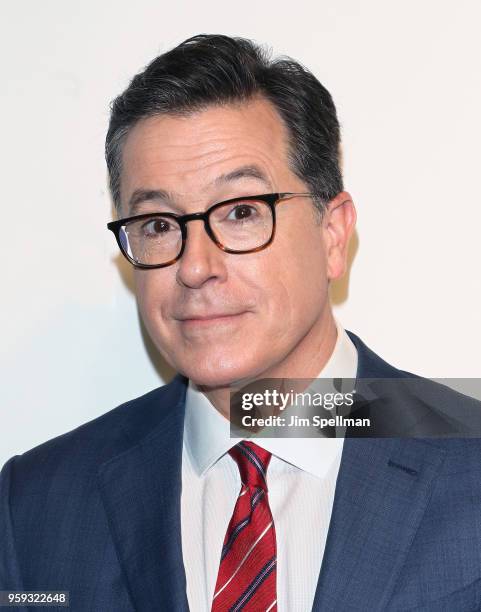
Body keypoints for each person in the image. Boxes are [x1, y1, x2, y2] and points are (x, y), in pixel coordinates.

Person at [1, 34, 480, 612]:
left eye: (242, 213)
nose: (195, 267)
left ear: (332, 233)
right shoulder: (37, 506)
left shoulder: (467, 458)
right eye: (157, 224)